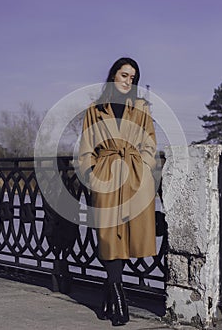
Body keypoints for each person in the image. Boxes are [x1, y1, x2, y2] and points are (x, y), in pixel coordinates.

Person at [78, 57, 156, 326]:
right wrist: (91, 175)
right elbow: (86, 148)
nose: (128, 81)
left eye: (132, 77)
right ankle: (119, 299)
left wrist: (144, 169)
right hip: (106, 176)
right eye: (124, 75)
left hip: (135, 178)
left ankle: (109, 297)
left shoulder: (142, 108)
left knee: (126, 239)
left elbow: (149, 144)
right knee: (109, 239)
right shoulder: (95, 109)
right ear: (113, 75)